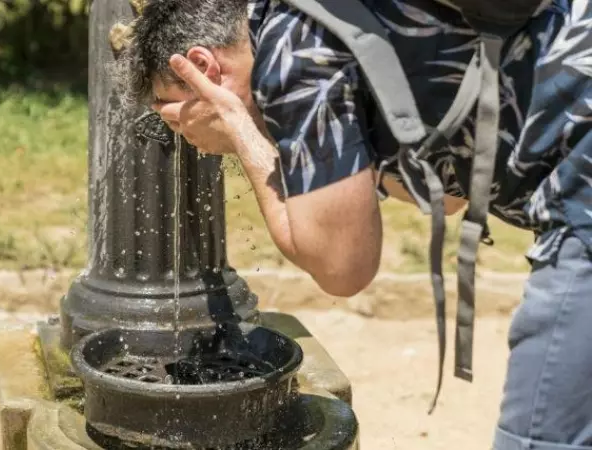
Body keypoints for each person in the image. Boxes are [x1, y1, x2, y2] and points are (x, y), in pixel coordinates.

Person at [114, 0, 592, 448]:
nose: (181, 128)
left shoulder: (290, 50)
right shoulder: (326, 19)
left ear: (202, 68)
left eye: (171, 107)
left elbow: (343, 267)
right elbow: (443, 195)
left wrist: (240, 129)